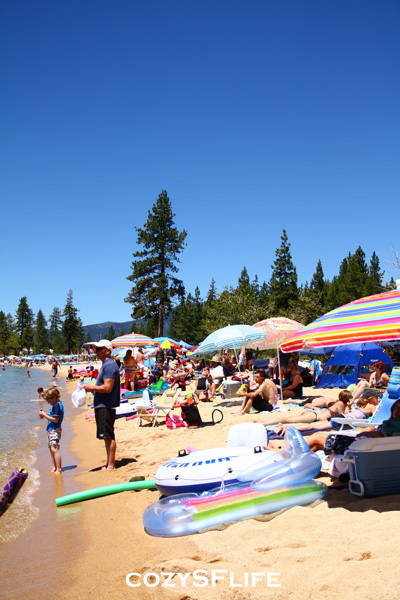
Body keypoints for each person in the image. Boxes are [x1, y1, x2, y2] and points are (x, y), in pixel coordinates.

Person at [82, 340, 120, 470]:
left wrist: (90, 387)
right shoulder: (107, 364)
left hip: (105, 404)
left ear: (107, 351)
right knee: (106, 436)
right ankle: (109, 463)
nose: (95, 351)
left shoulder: (109, 365)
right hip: (103, 404)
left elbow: (107, 387)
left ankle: (111, 465)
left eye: (99, 349)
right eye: (95, 349)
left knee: (108, 435)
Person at [258, 389, 353, 428]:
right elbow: (343, 417)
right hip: (314, 417)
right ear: (347, 399)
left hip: (313, 415)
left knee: (288, 420)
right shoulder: (340, 404)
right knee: (287, 420)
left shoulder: (339, 403)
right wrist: (349, 406)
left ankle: (262, 422)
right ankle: (262, 423)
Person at [39, 387, 64, 474]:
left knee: (54, 449)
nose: (48, 403)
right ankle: (54, 467)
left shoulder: (56, 405)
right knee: (51, 449)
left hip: (54, 429)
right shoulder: (57, 404)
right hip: (52, 429)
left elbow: (55, 419)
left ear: (53, 397)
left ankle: (59, 469)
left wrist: (44, 415)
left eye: (49, 401)